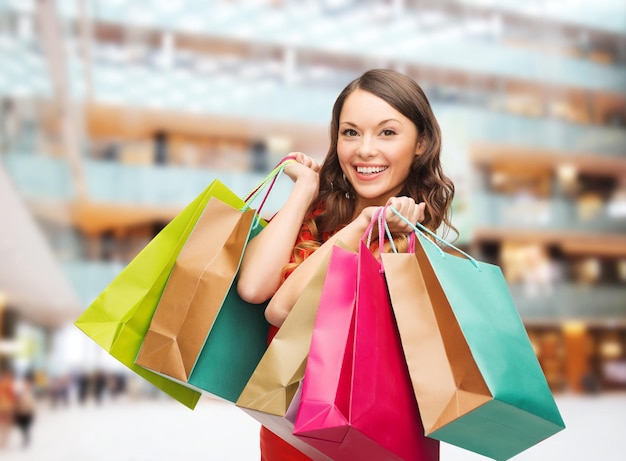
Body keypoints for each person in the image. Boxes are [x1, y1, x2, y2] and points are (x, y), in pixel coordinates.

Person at [237, 68, 455, 461]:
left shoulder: (413, 247)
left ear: (421, 143)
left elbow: (282, 309)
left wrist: (363, 227)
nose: (364, 150)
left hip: (371, 439)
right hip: (290, 432)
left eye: (387, 133)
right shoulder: (318, 212)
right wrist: (304, 191)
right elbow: (253, 288)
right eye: (350, 132)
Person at [0, 368, 17, 450]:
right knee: (6, 424)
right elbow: (12, 396)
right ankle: (5, 440)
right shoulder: (9, 383)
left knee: (3, 423)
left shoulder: (3, 383)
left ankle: (4, 440)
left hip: (3, 406)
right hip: (7, 406)